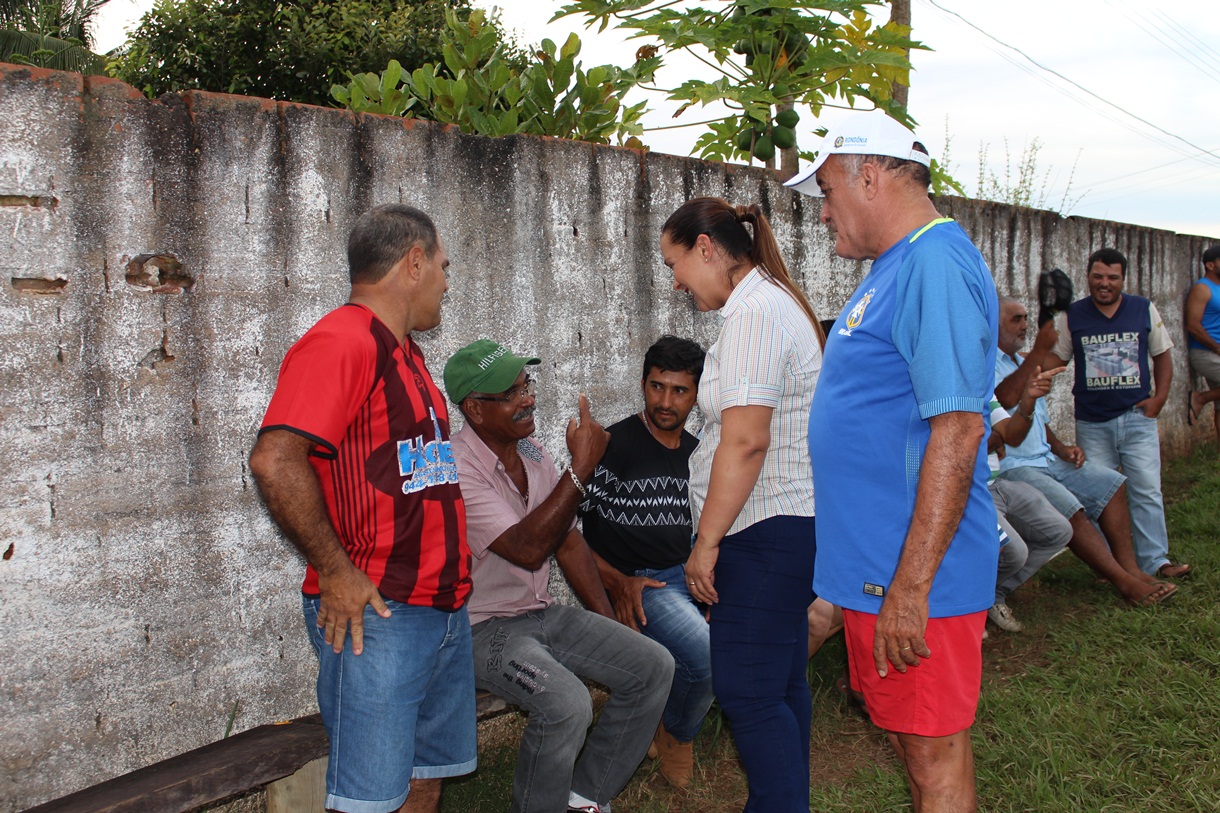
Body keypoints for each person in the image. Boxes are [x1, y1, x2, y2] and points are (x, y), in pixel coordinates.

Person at [787, 110, 997, 813]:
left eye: (826, 193)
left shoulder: (933, 261)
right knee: (922, 750)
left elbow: (960, 427)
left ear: (868, 175)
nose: (823, 214)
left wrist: (910, 588)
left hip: (908, 578)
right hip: (879, 569)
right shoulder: (898, 264)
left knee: (930, 756)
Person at [248, 204, 475, 813]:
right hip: (379, 611)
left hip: (442, 604)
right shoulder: (341, 342)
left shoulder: (409, 354)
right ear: (414, 262)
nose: (446, 285)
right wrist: (337, 571)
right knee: (370, 799)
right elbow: (275, 459)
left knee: (427, 776)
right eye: (444, 268)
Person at [443, 339, 674, 813]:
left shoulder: (531, 452)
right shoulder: (457, 468)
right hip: (482, 630)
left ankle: (585, 799)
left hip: (541, 614)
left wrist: (610, 625)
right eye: (511, 393)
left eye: (527, 385)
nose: (527, 398)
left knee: (652, 666)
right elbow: (528, 550)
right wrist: (582, 468)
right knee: (567, 704)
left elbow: (567, 541)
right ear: (475, 409)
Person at [661, 196, 822, 813]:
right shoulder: (771, 301)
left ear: (706, 248)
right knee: (778, 684)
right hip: (785, 524)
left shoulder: (755, 313)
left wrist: (706, 544)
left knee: (749, 694)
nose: (676, 282)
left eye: (675, 264)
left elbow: (747, 441)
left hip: (763, 529)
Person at [578, 334, 711, 789]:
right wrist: (616, 582)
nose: (666, 401)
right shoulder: (615, 444)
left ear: (697, 394)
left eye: (679, 390)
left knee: (739, 639)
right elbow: (567, 534)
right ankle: (677, 732)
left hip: (689, 575)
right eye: (657, 387)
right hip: (645, 585)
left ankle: (664, 717)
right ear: (643, 385)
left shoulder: (698, 451)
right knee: (707, 655)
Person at [992, 298, 1177, 608]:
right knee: (1071, 508)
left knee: (1111, 483)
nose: (1025, 325)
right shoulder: (987, 362)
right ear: (992, 325)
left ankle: (1131, 569)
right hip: (1015, 466)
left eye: (1026, 318)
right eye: (1016, 320)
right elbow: (1007, 397)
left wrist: (1061, 447)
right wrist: (1040, 349)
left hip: (1045, 459)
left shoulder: (1017, 361)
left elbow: (1038, 419)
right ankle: (1125, 583)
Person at [1046, 248, 1189, 579]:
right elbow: (1058, 360)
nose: (1104, 283)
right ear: (1088, 277)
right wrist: (1023, 365)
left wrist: (1160, 399)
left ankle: (1155, 561)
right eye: (1098, 277)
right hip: (1092, 422)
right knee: (1099, 494)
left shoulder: (1142, 309)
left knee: (1146, 489)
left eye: (1112, 277)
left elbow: (1164, 356)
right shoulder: (1074, 316)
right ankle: (1111, 565)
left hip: (1136, 418)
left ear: (1123, 279)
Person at [986, 380, 1073, 633]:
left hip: (996, 482)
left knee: (1059, 531)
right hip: (970, 491)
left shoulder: (982, 387)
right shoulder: (944, 387)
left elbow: (1011, 433)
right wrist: (996, 438)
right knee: (1015, 552)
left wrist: (1026, 404)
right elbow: (966, 447)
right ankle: (974, 605)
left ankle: (994, 595)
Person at [1186, 245, 1220, 445]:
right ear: (1210, 264)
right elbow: (1193, 325)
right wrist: (1217, 348)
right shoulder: (1202, 288)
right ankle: (1200, 398)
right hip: (1205, 353)